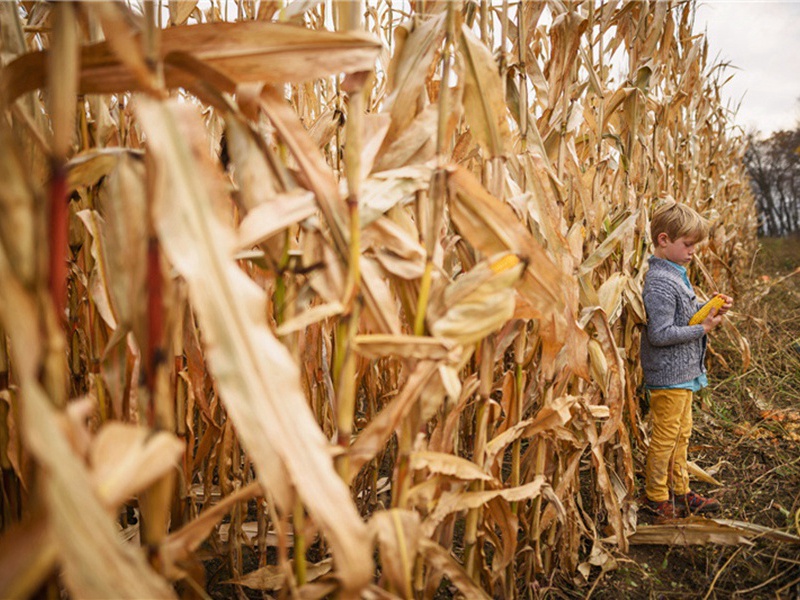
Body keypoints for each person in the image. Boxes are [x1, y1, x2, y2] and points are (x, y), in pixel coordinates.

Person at [640, 200, 733, 519]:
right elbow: (660, 334)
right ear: (664, 240)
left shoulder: (676, 274)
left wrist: (710, 308)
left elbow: (685, 319)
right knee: (665, 440)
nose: (693, 251)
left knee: (682, 436)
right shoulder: (660, 282)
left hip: (683, 373)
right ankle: (656, 497)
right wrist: (704, 327)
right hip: (668, 377)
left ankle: (680, 490)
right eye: (688, 244)